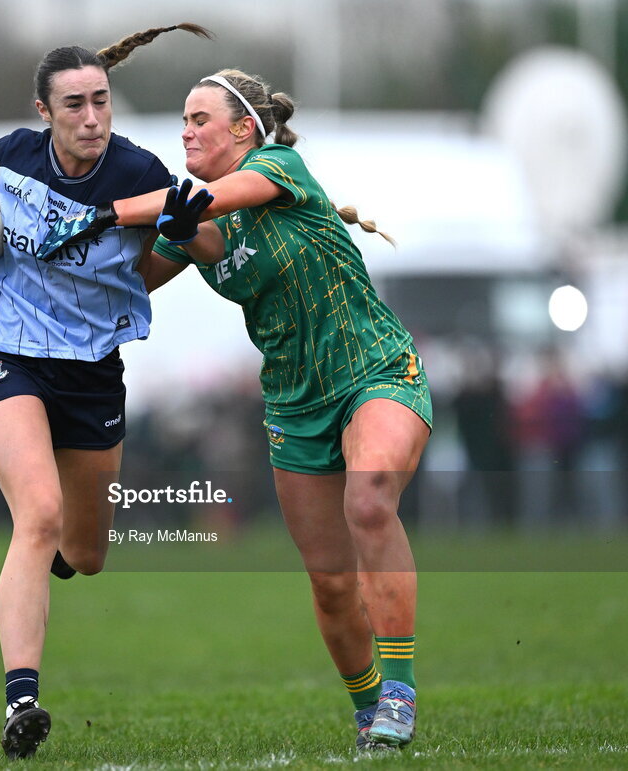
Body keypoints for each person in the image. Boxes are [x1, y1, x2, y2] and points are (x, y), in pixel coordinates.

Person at [51, 69, 432, 752]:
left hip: (375, 369)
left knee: (371, 494)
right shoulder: (188, 216)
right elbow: (122, 286)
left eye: (201, 118)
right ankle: (371, 710)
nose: (187, 130)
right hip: (293, 400)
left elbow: (200, 201)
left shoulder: (277, 166)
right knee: (330, 586)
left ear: (243, 129)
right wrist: (26, 247)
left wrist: (107, 210)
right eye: (184, 121)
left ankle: (401, 692)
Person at [0, 24, 211, 760]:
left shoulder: (139, 171)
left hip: (93, 370)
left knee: (85, 551)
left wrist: (181, 232)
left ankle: (56, 555)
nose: (92, 117)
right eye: (74, 104)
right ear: (43, 111)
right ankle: (22, 699)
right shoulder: (9, 157)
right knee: (35, 514)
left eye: (100, 101)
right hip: (7, 357)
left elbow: (205, 248)